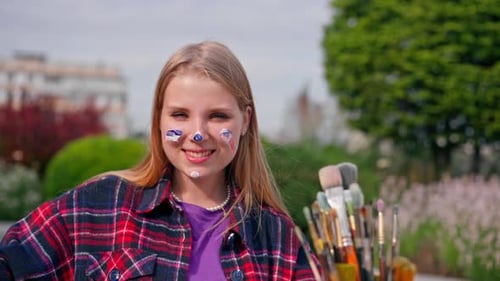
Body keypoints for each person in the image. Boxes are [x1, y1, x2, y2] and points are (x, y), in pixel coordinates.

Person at [0, 41, 320, 280]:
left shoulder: (278, 237)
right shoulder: (96, 208)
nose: (197, 133)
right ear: (159, 120)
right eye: (180, 115)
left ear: (245, 121)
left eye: (217, 116)